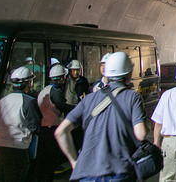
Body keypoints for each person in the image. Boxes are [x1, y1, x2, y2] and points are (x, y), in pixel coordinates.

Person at [54, 51, 147, 181]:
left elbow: (61, 132)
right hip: (119, 171)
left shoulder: (89, 99)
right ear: (129, 74)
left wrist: (75, 162)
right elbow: (141, 134)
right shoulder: (133, 97)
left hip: (87, 173)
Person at [0, 67, 42, 182]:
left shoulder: (2, 101)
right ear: (28, 83)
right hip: (17, 150)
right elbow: (35, 125)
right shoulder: (29, 101)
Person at [35, 64, 75, 181]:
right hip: (51, 126)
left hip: (43, 126)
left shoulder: (45, 89)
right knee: (50, 156)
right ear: (61, 78)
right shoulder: (55, 91)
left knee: (44, 156)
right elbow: (62, 106)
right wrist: (76, 108)